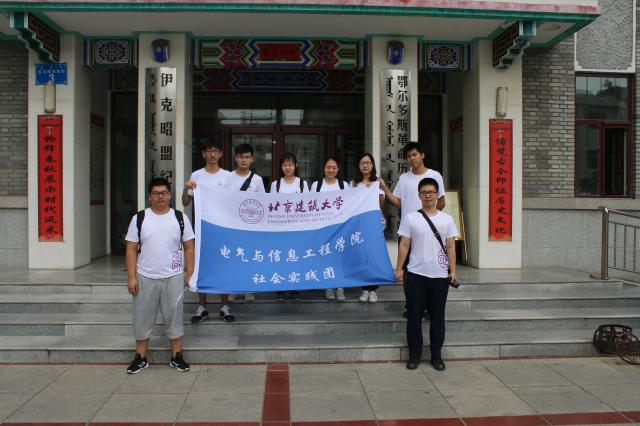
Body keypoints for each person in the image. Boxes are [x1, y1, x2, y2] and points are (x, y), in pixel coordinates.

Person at [124, 177, 195, 374]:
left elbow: (189, 247)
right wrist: (131, 277)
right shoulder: (139, 218)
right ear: (149, 196)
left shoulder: (180, 218)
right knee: (142, 317)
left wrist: (190, 273)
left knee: (174, 317)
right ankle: (140, 357)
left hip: (173, 276)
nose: (160, 197)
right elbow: (131, 249)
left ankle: (176, 356)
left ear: (170, 195)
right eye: (156, 193)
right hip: (145, 276)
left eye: (163, 193)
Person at [395, 177, 458, 371]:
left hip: (440, 276)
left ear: (437, 194)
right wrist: (399, 269)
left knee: (438, 317)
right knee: (414, 317)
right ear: (419, 195)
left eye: (431, 192)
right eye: (424, 193)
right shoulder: (410, 218)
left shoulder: (447, 219)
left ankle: (436, 356)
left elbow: (451, 247)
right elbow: (404, 244)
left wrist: (453, 271)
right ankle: (414, 355)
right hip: (416, 275)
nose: (428, 195)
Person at [379, 142, 446, 317]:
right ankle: (411, 305)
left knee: (429, 268)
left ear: (422, 155)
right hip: (408, 232)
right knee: (408, 270)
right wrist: (385, 189)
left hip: (429, 232)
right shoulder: (404, 178)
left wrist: (430, 218)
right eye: (408, 156)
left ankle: (428, 306)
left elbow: (442, 202)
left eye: (414, 155)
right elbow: (399, 202)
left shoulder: (435, 176)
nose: (411, 159)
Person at [182, 139, 235, 323]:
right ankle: (202, 307)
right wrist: (186, 188)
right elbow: (185, 202)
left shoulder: (228, 176)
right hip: (202, 227)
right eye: (209, 151)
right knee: (201, 265)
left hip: (222, 228)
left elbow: (233, 201)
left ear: (221, 154)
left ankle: (224, 306)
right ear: (203, 154)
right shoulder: (197, 175)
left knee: (223, 265)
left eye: (216, 151)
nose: (212, 154)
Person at [227, 143, 266, 303]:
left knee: (249, 257)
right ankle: (232, 289)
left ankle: (248, 289)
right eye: (241, 157)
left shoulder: (257, 180)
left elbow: (263, 203)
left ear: (252, 159)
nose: (244, 160)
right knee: (233, 257)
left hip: (251, 226)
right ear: (236, 158)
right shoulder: (227, 177)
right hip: (231, 224)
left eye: (247, 157)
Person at [270, 152, 309, 300]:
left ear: (296, 166)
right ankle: (280, 288)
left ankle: (295, 288)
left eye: (290, 165)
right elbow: (271, 206)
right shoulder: (276, 184)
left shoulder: (302, 184)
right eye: (285, 165)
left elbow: (308, 205)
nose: (288, 167)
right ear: (281, 167)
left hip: (298, 228)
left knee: (296, 257)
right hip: (280, 228)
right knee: (281, 257)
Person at [311, 157, 349, 302]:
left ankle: (340, 287)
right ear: (324, 169)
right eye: (328, 167)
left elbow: (349, 205)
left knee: (340, 258)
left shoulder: (344, 185)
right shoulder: (316, 185)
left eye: (334, 167)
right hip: (323, 228)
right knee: (326, 257)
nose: (331, 170)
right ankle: (328, 286)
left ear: (338, 169)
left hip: (339, 227)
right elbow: (311, 206)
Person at [351, 153, 384, 303]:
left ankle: (373, 290)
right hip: (358, 224)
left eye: (368, 162)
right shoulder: (353, 183)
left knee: (373, 257)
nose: (365, 165)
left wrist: (372, 191)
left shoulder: (378, 182)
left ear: (372, 165)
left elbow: (381, 203)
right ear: (359, 166)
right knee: (361, 256)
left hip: (374, 223)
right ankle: (364, 289)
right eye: (362, 163)